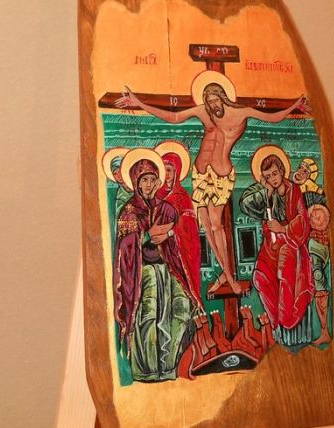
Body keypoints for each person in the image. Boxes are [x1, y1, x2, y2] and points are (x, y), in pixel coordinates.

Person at [116, 71, 309, 295]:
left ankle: (230, 278)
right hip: (200, 173)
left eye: (216, 101)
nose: (213, 106)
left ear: (223, 97)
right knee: (206, 227)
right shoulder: (203, 112)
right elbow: (174, 116)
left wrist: (295, 105)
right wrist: (139, 103)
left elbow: (272, 118)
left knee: (217, 226)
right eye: (209, 102)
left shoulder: (241, 113)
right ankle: (225, 274)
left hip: (220, 175)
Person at [113, 149, 196, 382]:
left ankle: (170, 366)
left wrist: (169, 233)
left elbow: (181, 234)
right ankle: (148, 370)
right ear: (136, 183)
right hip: (143, 273)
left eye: (152, 179)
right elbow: (124, 248)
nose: (148, 185)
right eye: (144, 180)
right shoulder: (129, 212)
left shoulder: (167, 209)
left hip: (167, 270)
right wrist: (147, 235)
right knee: (149, 317)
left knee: (180, 310)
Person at [239, 147, 315, 336]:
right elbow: (245, 204)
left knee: (284, 271)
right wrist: (265, 191)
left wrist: (283, 229)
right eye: (268, 176)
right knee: (259, 277)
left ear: (282, 170)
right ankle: (274, 322)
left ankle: (285, 318)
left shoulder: (293, 190)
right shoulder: (268, 194)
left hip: (290, 244)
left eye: (274, 173)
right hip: (271, 246)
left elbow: (303, 220)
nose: (273, 179)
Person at [154, 141, 204, 309]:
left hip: (180, 251)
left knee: (181, 294)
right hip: (161, 251)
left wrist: (169, 233)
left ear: (176, 171)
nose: (166, 174)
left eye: (169, 170)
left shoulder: (183, 196)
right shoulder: (156, 196)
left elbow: (189, 225)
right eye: (163, 170)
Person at [308, 204, 332, 345]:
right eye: (313, 216)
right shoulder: (312, 237)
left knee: (321, 302)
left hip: (319, 282)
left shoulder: (326, 237)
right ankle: (324, 332)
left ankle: (324, 332)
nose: (316, 217)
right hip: (315, 278)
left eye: (319, 215)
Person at [101, 147, 132, 219]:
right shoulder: (119, 194)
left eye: (120, 171)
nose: (118, 176)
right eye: (115, 173)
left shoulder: (139, 189)